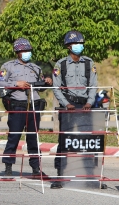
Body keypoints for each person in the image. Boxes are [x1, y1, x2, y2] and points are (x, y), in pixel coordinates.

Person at [50, 30, 101, 189]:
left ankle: (91, 176)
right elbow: (56, 88)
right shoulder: (61, 65)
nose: (79, 46)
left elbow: (93, 85)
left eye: (81, 43)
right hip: (69, 106)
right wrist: (66, 103)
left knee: (89, 141)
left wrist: (90, 102)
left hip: (86, 105)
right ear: (68, 46)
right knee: (64, 141)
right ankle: (60, 176)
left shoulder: (89, 63)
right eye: (76, 44)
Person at [0, 38, 52, 177]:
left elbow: (40, 88)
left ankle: (36, 168)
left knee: (33, 138)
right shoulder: (7, 66)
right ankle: (8, 167)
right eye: (24, 51)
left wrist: (47, 82)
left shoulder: (36, 68)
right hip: (18, 105)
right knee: (14, 137)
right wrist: (16, 84)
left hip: (34, 105)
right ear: (18, 52)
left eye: (28, 51)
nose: (27, 53)